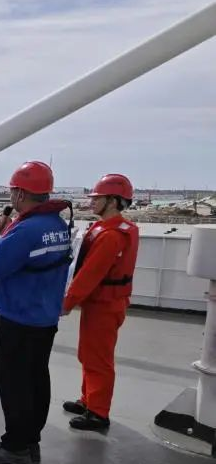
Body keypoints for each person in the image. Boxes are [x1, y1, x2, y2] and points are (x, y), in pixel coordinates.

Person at [0, 161, 72, 464]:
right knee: (37, 379)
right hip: (45, 317)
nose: (11, 196)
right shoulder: (57, 226)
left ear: (20, 194)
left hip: (18, 317)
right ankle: (30, 440)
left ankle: (15, 447)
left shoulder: (26, 230)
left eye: (13, 191)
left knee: (14, 382)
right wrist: (8, 230)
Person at [62, 174, 139, 432]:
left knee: (98, 358)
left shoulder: (110, 236)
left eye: (98, 198)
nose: (92, 201)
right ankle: (88, 400)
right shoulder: (105, 229)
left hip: (105, 305)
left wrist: (67, 303)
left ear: (114, 201)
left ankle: (98, 413)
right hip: (100, 303)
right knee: (89, 353)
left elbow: (89, 274)